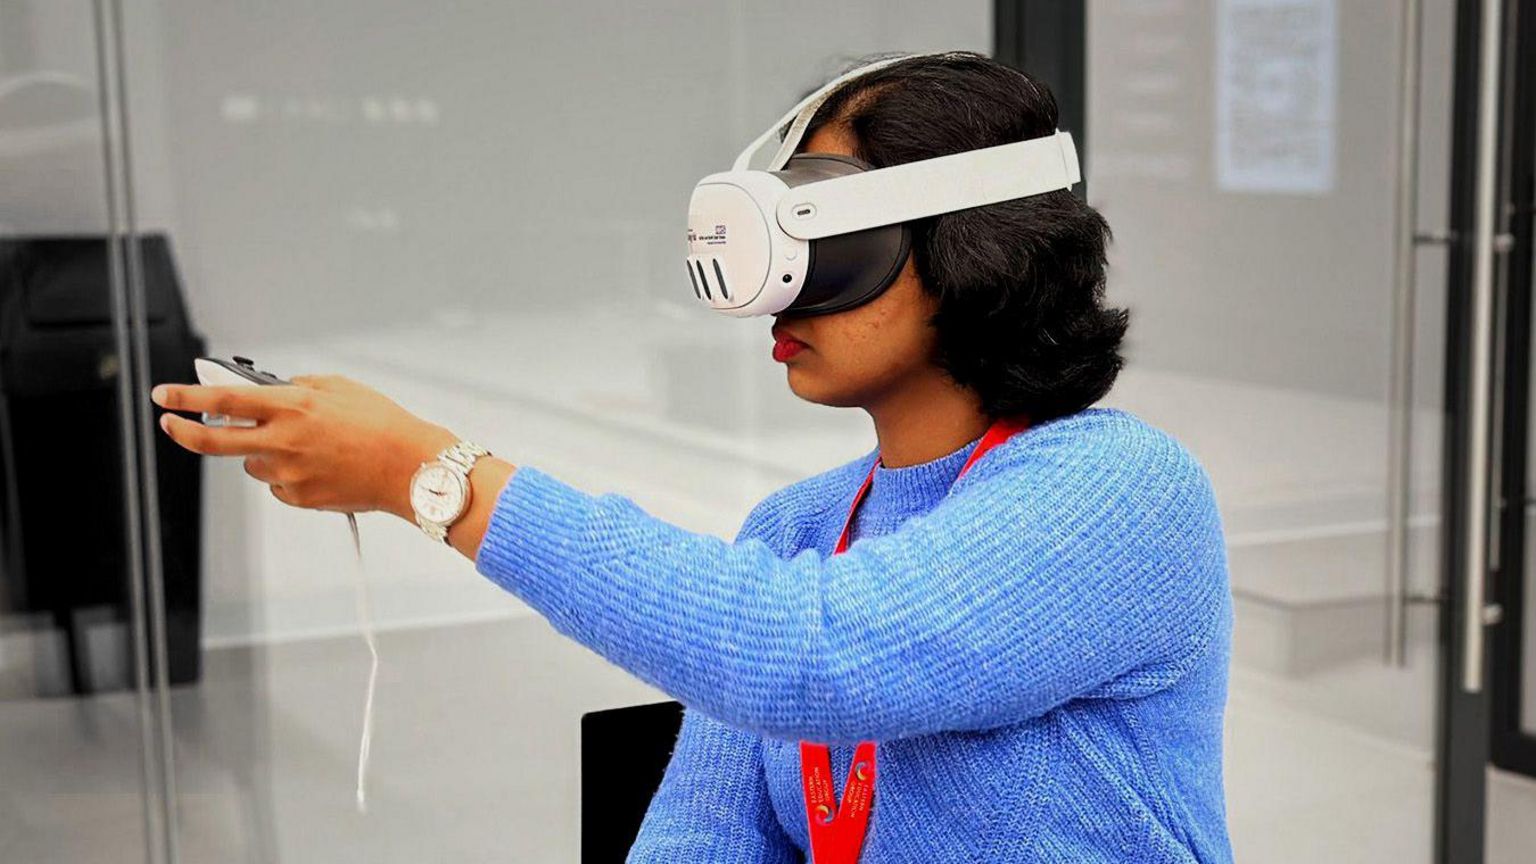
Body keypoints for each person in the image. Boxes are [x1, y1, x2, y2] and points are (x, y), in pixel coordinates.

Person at [152, 52, 1233, 863]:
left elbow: (816, 657)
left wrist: (431, 477)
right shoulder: (800, 532)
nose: (779, 293)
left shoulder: (1124, 494)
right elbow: (701, 838)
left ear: (974, 252)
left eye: (824, 244)